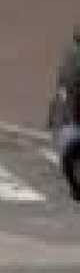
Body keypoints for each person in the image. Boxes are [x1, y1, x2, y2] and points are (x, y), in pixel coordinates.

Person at [53, 27, 80, 200]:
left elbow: (64, 84)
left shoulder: (71, 53)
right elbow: (69, 84)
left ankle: (75, 189)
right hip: (72, 113)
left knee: (70, 151)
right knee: (71, 151)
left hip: (68, 113)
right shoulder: (75, 56)